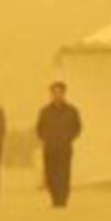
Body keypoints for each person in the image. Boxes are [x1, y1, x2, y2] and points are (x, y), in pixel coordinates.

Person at [35, 80, 82, 208]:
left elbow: (77, 127)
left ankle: (62, 199)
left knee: (64, 174)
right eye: (54, 93)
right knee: (51, 174)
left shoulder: (72, 111)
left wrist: (68, 138)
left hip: (65, 147)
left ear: (64, 93)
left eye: (59, 92)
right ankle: (55, 198)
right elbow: (39, 128)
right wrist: (46, 138)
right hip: (49, 148)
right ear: (51, 94)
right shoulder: (45, 111)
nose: (57, 95)